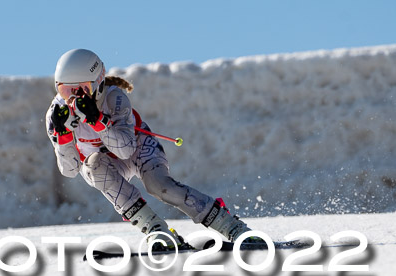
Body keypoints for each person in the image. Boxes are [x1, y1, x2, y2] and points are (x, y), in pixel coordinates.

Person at [45, 48, 257, 250]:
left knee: (159, 186)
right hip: (105, 162)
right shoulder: (56, 114)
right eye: (65, 91)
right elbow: (70, 170)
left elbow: (126, 150)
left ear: (98, 83)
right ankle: (159, 232)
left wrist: (97, 121)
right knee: (93, 168)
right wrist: (62, 136)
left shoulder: (114, 99)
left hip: (136, 147)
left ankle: (234, 228)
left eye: (82, 90)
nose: (73, 99)